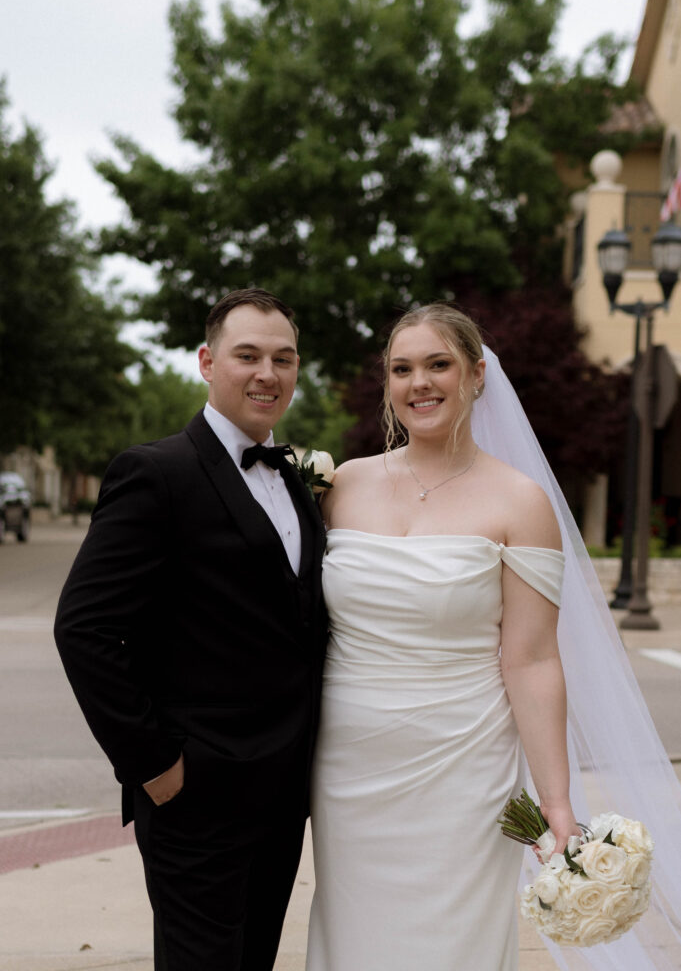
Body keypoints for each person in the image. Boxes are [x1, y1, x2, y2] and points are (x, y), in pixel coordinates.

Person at [306, 303, 681, 971]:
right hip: (348, 767)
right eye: (401, 369)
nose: (418, 382)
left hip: (463, 766)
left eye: (437, 365)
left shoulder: (518, 501)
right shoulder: (342, 486)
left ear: (477, 375)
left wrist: (557, 802)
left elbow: (531, 659)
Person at [54, 288, 328, 971]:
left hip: (282, 793)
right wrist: (153, 764)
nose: (267, 373)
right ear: (207, 362)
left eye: (283, 358)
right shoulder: (157, 473)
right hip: (195, 794)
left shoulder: (294, 482)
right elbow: (83, 629)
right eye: (247, 356)